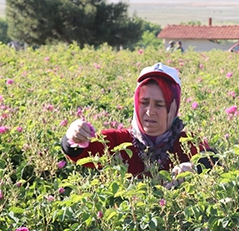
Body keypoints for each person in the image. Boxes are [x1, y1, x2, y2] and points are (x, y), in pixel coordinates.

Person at [61, 62, 217, 177]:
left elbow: (214, 162)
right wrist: (74, 134)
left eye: (159, 104)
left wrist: (195, 169)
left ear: (173, 109)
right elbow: (79, 153)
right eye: (144, 102)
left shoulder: (187, 142)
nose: (150, 111)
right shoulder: (119, 141)